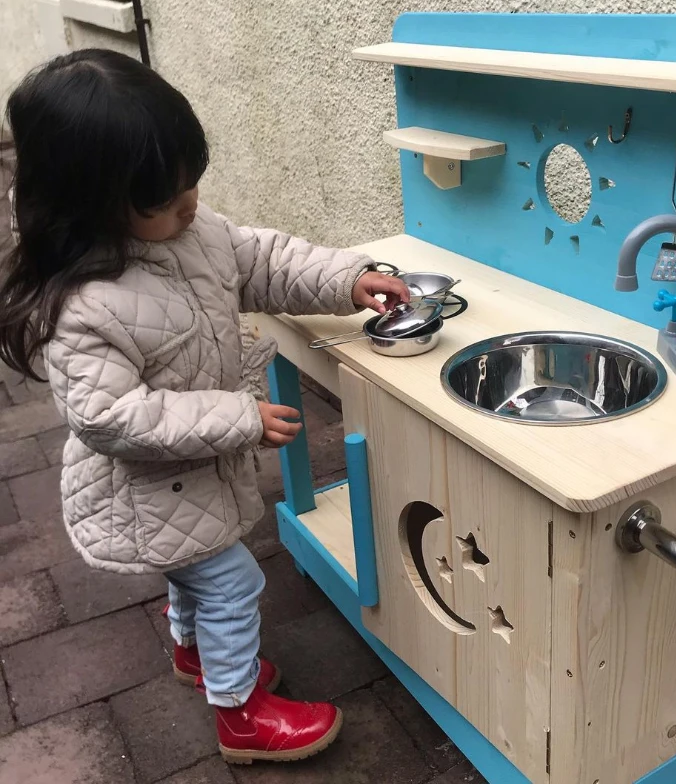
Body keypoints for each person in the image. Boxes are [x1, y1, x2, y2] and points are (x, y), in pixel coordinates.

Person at [0, 49, 409, 764]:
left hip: (190, 480)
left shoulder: (190, 234)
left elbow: (266, 261)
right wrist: (240, 418)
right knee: (231, 580)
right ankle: (240, 715)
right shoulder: (84, 305)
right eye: (165, 197)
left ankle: (195, 656)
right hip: (151, 490)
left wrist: (349, 277)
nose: (191, 204)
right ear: (90, 202)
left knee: (195, 572)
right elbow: (111, 417)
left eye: (193, 181)